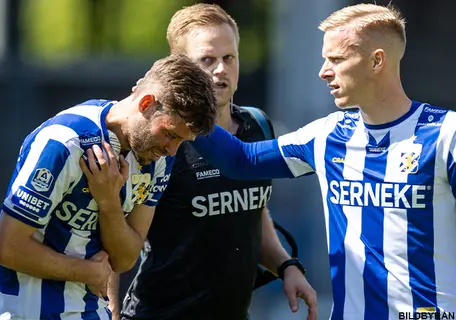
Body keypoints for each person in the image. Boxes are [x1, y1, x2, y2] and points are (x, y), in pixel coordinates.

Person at [190, 3, 456, 319]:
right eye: (324, 59)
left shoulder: (445, 135)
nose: (324, 71)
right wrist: (181, 100)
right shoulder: (329, 134)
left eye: (337, 59)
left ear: (376, 61)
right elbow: (240, 160)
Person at [113, 4, 317, 320]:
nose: (220, 69)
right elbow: (114, 241)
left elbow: (252, 211)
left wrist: (286, 265)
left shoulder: (258, 125)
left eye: (229, 58)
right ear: (180, 65)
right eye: (207, 60)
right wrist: (109, 311)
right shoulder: (162, 140)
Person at [0, 54, 218, 320]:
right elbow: (7, 247)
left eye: (182, 141)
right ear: (146, 103)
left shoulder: (158, 159)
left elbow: (125, 259)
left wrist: (109, 202)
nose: (171, 150)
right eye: (170, 134)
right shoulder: (64, 142)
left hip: (92, 312)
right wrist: (86, 272)